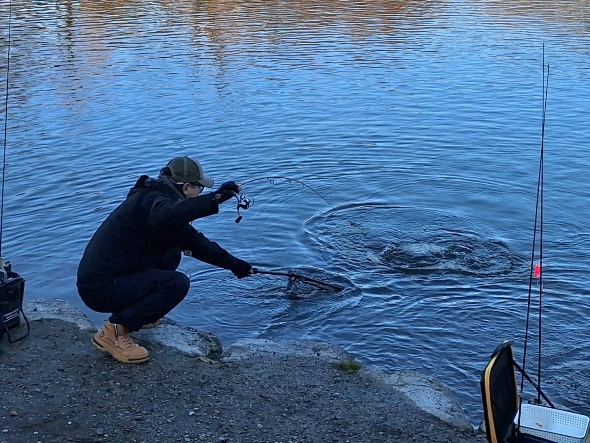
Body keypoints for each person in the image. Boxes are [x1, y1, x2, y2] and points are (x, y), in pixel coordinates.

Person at [77, 156, 253, 364]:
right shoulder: (156, 204)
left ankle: (137, 315)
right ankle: (114, 331)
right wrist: (215, 198)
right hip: (99, 288)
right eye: (200, 188)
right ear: (186, 187)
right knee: (176, 284)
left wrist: (235, 265)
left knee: (171, 254)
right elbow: (170, 215)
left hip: (114, 277)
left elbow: (196, 243)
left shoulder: (155, 199)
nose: (200, 192)